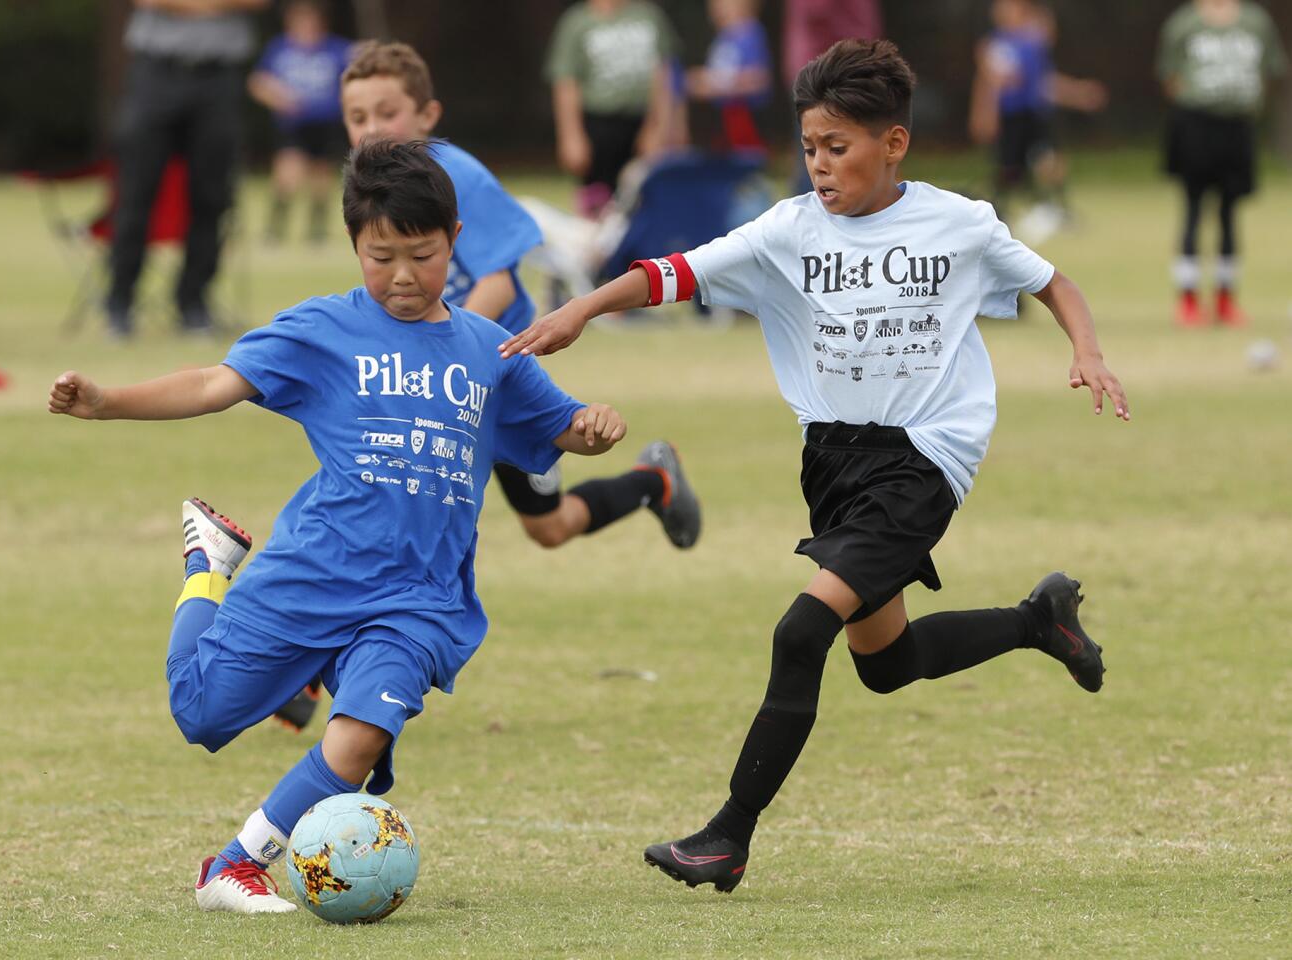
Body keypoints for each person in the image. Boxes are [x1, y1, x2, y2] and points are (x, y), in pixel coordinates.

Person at [501, 39, 1129, 892]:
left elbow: (1055, 282)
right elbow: (674, 272)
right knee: (886, 663)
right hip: (831, 462)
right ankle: (1035, 621)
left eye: (838, 148)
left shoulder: (957, 222)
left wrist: (1086, 351)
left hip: (922, 459)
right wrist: (581, 309)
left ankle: (727, 835)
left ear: (892, 144)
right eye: (809, 149)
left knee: (801, 632)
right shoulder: (787, 230)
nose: (820, 166)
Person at [48, 140, 629, 913]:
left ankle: (233, 866)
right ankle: (207, 562)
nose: (399, 276)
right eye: (378, 255)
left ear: (454, 240)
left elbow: (560, 427)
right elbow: (214, 382)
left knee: (358, 735)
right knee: (200, 712)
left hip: (418, 599)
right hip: (316, 569)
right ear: (355, 243)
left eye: (420, 256)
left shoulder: (492, 350)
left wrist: (591, 428)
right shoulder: (322, 330)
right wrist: (107, 401)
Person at [269, 40, 702, 733]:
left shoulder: (453, 173)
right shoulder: (372, 187)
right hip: (426, 383)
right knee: (387, 515)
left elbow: (502, 273)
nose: (371, 129)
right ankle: (314, 677)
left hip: (490, 382)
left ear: (427, 113)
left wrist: (448, 358)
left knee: (546, 529)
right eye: (357, 117)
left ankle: (653, 481)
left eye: (388, 112)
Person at [106, 0, 270, 338]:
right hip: (157, 73)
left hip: (217, 78)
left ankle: (193, 304)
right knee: (135, 192)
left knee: (212, 196)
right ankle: (120, 301)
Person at [1158, 0, 1287, 327]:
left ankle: (1226, 299)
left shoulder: (1255, 21)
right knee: (1193, 209)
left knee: (1230, 212)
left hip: (1237, 125)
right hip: (1196, 124)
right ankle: (1188, 300)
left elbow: (1269, 71)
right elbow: (1170, 76)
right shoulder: (1184, 23)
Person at [969, 0, 1107, 245]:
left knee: (1050, 160)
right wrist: (984, 114)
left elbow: (1045, 82)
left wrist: (1078, 94)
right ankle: (997, 211)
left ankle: (1058, 208)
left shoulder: (1032, 44)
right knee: (1009, 169)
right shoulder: (995, 44)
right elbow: (988, 84)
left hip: (1033, 114)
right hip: (1010, 117)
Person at [545, 0, 680, 216]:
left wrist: (660, 128)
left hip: (642, 123)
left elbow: (665, 75)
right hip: (598, 126)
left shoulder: (648, 16)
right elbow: (566, 82)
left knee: (644, 203)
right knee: (599, 206)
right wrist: (571, 135)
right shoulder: (577, 22)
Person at [247, 0, 356, 244]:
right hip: (293, 125)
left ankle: (316, 231)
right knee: (287, 174)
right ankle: (275, 229)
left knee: (321, 177)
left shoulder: (337, 49)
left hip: (325, 123)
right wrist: (278, 97)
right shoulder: (279, 49)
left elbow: (359, 70)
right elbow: (257, 82)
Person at [783, 0, 882, 194]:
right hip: (847, 68)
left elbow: (815, 10)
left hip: (825, 76)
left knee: (818, 160)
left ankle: (814, 220)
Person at [686, 0, 772, 154]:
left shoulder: (750, 34)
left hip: (745, 122)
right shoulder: (721, 39)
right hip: (723, 124)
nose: (717, 10)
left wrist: (720, 85)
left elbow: (759, 79)